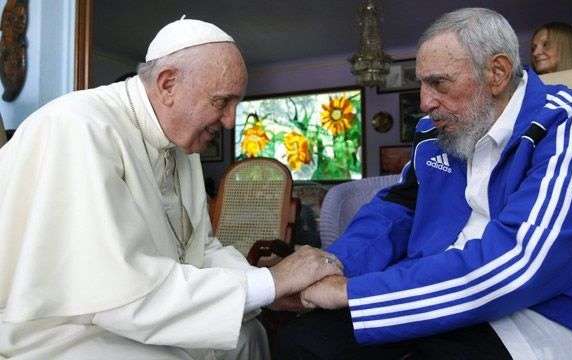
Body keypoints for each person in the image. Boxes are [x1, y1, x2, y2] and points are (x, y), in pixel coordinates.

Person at [278, 8, 572, 360]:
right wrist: (331, 265)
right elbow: (398, 210)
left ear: (496, 73)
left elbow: (520, 261)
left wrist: (355, 294)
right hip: (433, 286)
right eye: (421, 82)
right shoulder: (435, 132)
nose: (424, 102)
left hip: (544, 311)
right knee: (302, 342)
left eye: (438, 83)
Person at [0, 18, 343, 359]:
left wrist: (266, 287)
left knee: (248, 335)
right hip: (60, 329)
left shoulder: (178, 141)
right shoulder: (78, 128)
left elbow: (200, 249)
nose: (231, 121)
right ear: (167, 84)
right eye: (222, 102)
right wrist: (270, 283)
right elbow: (114, 292)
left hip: (140, 312)